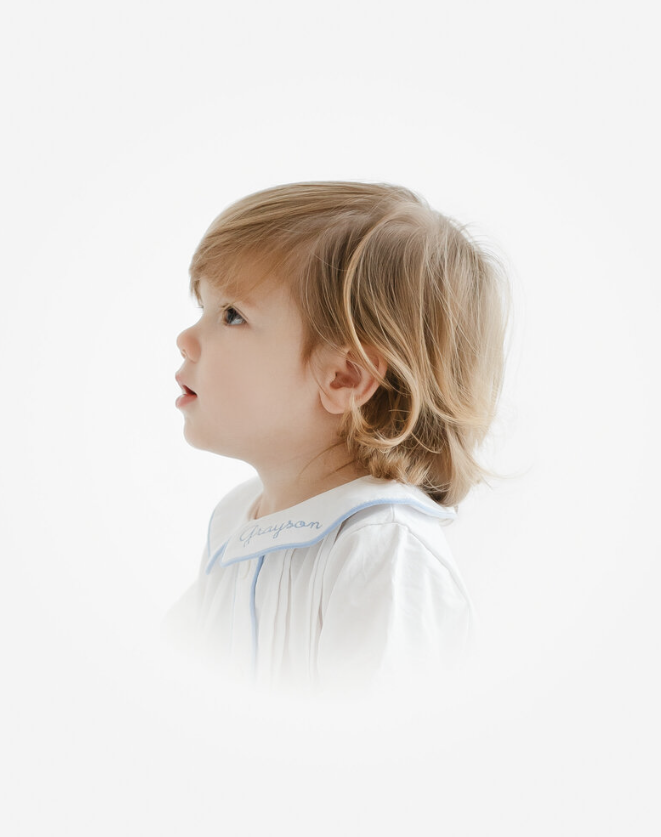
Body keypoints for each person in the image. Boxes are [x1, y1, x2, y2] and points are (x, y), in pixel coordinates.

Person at [162, 180, 510, 695]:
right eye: (203, 308)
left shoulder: (383, 551)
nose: (186, 339)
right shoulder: (236, 521)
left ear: (345, 377)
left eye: (232, 315)